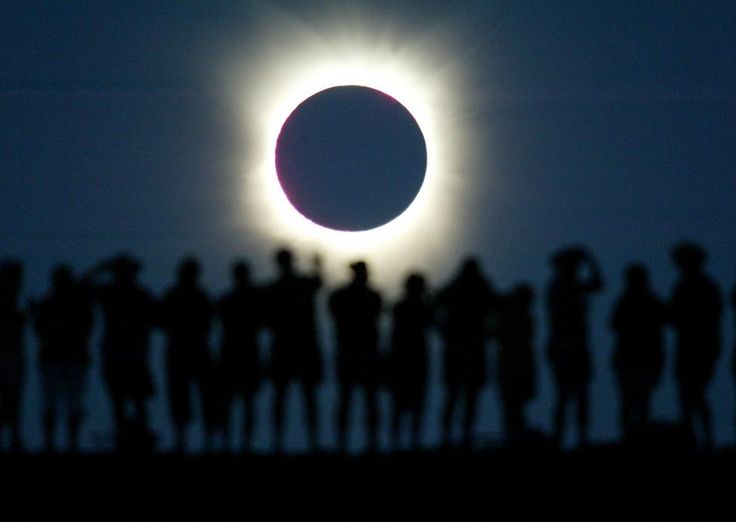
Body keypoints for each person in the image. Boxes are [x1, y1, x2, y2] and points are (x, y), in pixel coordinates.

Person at [86, 254, 158, 451]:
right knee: (126, 399)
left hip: (127, 356)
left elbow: (83, 286)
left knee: (131, 399)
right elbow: (82, 288)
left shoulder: (133, 294)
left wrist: (100, 268)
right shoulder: (137, 294)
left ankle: (134, 433)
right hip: (123, 356)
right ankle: (129, 433)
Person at [263, 248, 323, 453]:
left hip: (291, 348)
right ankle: (304, 443)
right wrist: (317, 265)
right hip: (297, 348)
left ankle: (283, 443)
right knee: (297, 397)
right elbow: (318, 283)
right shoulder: (296, 285)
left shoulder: (274, 289)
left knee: (292, 396)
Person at [435, 257, 496, 449]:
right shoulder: (470, 288)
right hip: (465, 347)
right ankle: (454, 438)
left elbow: (496, 308)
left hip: (466, 347)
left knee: (462, 396)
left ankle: (458, 437)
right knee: (460, 395)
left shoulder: (462, 288)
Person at [546, 246, 603, 447]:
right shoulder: (562, 286)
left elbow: (598, 285)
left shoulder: (567, 284)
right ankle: (565, 438)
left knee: (575, 395)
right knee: (568, 394)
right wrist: (588, 259)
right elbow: (597, 285)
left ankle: (576, 438)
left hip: (572, 345)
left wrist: (589, 259)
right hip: (566, 345)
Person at [33, 265, 94, 452]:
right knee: (58, 401)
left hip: (68, 359)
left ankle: (67, 441)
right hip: (58, 359)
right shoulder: (50, 304)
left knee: (68, 402)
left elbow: (88, 328)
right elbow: (39, 329)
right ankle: (58, 442)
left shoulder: (54, 304)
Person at [669, 242, 721, 448]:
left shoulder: (696, 286)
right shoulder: (698, 285)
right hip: (695, 348)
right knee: (691, 395)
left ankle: (699, 440)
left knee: (693, 395)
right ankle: (695, 439)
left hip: (696, 349)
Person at [160, 257, 213, 453]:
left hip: (186, 352)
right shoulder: (197, 296)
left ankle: (194, 441)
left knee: (192, 398)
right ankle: (189, 441)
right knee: (184, 398)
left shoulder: (181, 296)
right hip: (187, 352)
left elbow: (161, 321)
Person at [329, 261, 383, 453]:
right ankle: (353, 443)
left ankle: (356, 443)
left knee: (359, 400)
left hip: (359, 352)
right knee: (354, 400)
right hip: (356, 351)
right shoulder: (371, 296)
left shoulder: (341, 296)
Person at [610, 264, 666, 442]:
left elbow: (615, 324)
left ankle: (634, 438)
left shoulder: (637, 301)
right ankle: (633, 437)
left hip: (638, 359)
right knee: (635, 401)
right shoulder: (646, 301)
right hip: (635, 359)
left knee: (637, 401)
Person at [216, 260, 262, 453]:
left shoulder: (229, 300)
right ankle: (236, 443)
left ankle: (241, 443)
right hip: (236, 356)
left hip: (241, 356)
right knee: (234, 403)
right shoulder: (232, 301)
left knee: (241, 403)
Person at [388, 273, 433, 451]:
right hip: (407, 360)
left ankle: (409, 443)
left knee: (412, 406)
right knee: (403, 406)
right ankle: (402, 444)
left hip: (412, 360)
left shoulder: (402, 306)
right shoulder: (403, 307)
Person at [496, 284, 536, 445]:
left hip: (514, 365)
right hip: (512, 366)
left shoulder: (521, 317)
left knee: (514, 406)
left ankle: (514, 437)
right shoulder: (516, 317)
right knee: (513, 406)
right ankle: (513, 437)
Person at [0, 261, 25, 452]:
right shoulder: (9, 300)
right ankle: (13, 436)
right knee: (11, 396)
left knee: (13, 396)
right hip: (9, 354)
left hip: (13, 354)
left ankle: (14, 436)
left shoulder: (13, 299)